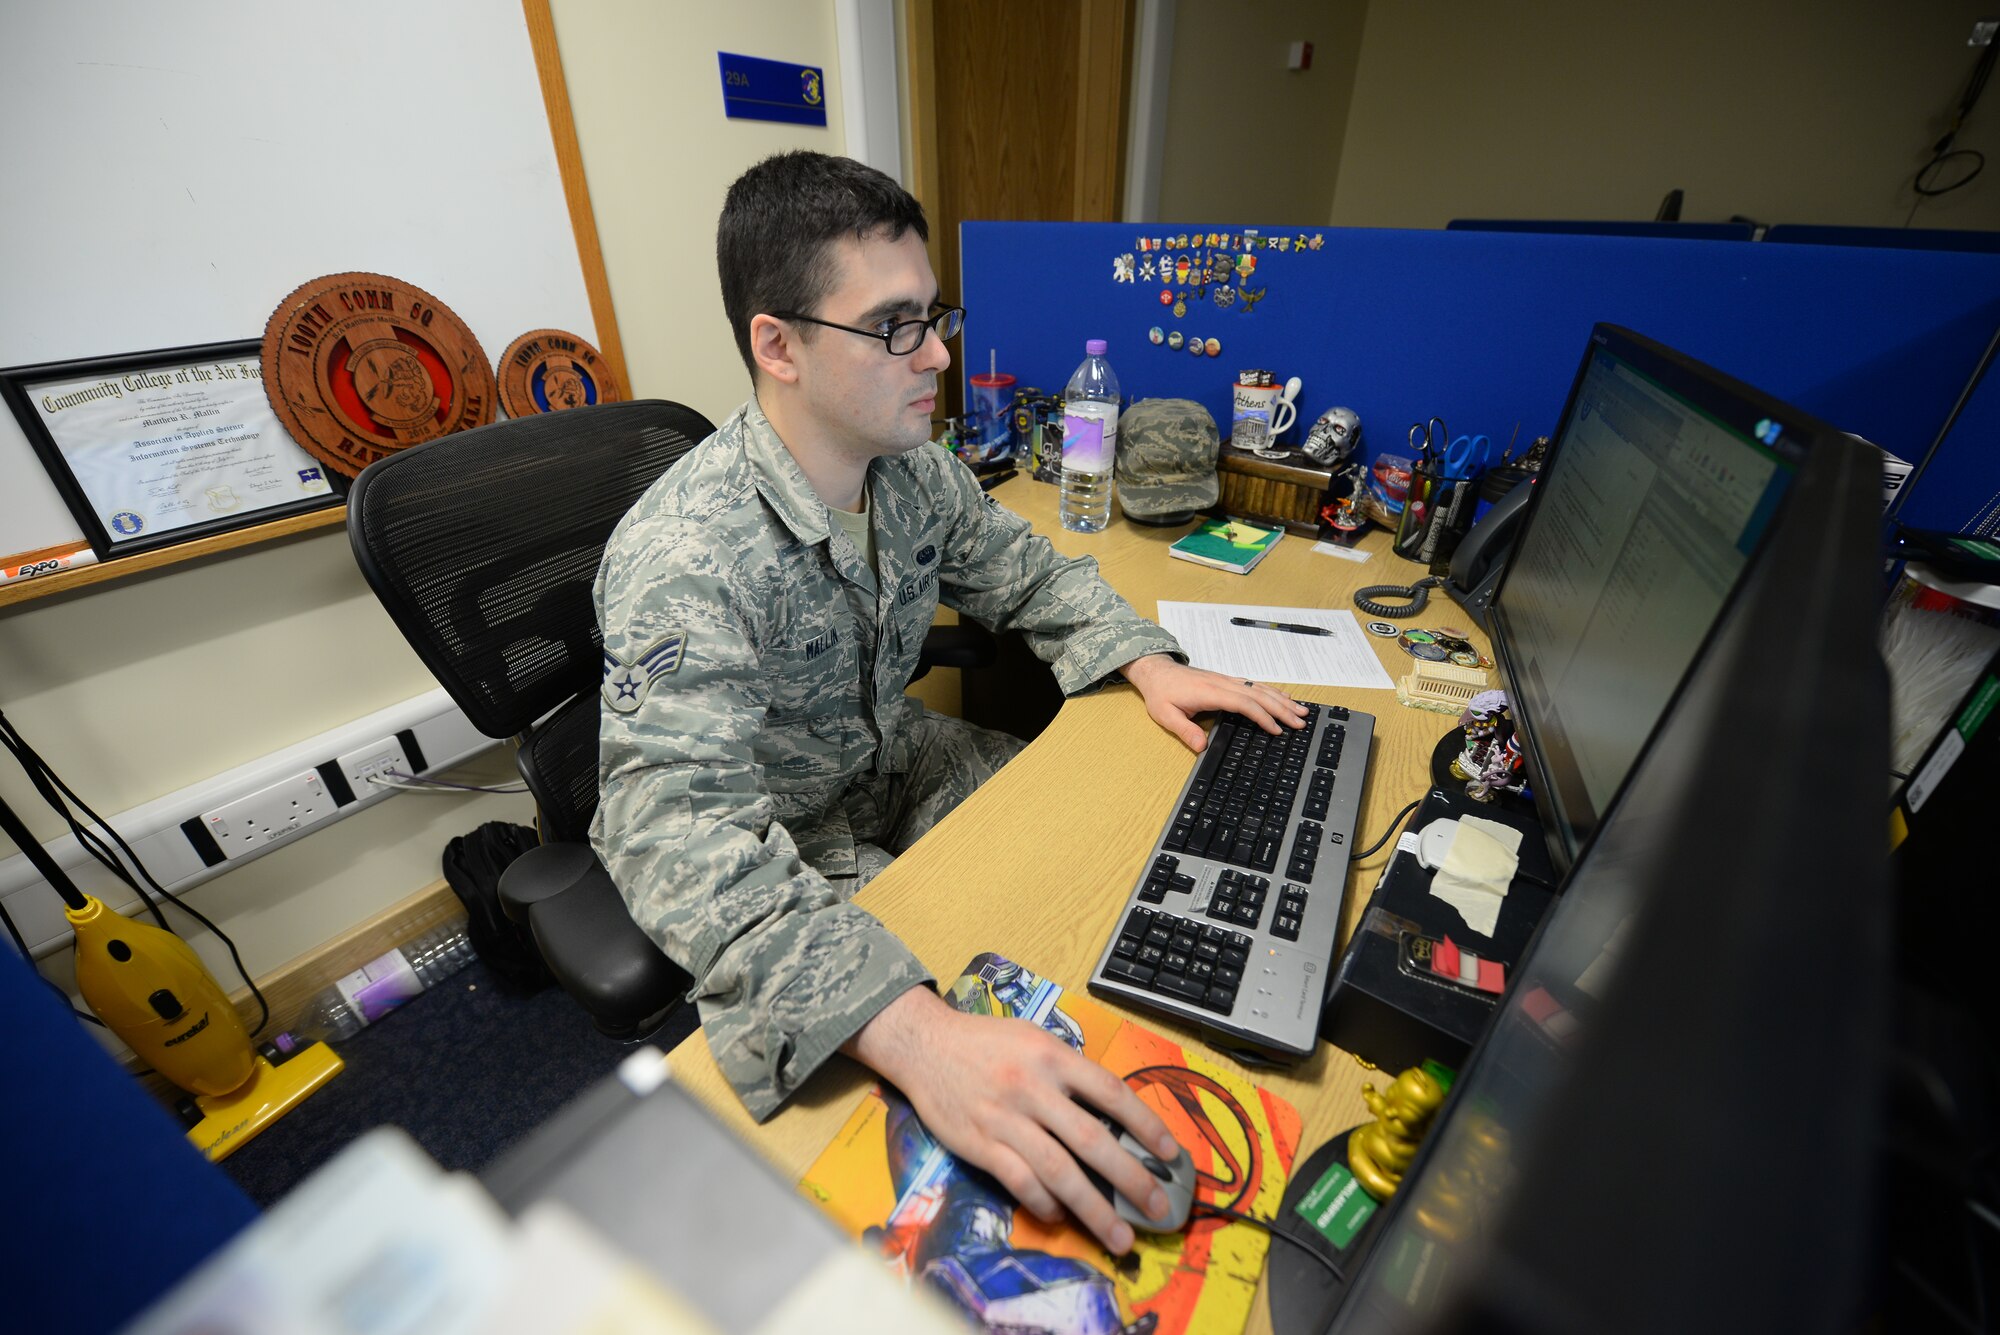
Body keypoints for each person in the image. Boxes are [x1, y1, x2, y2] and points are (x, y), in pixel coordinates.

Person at [592, 151, 1306, 1255]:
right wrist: (913, 1036)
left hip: (890, 758)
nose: (936, 353)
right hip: (782, 834)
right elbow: (669, 827)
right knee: (960, 1028)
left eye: (932, 316)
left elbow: (1028, 571)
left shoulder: (907, 466)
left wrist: (1145, 660)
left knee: (1113, 853)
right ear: (775, 345)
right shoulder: (684, 556)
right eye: (893, 327)